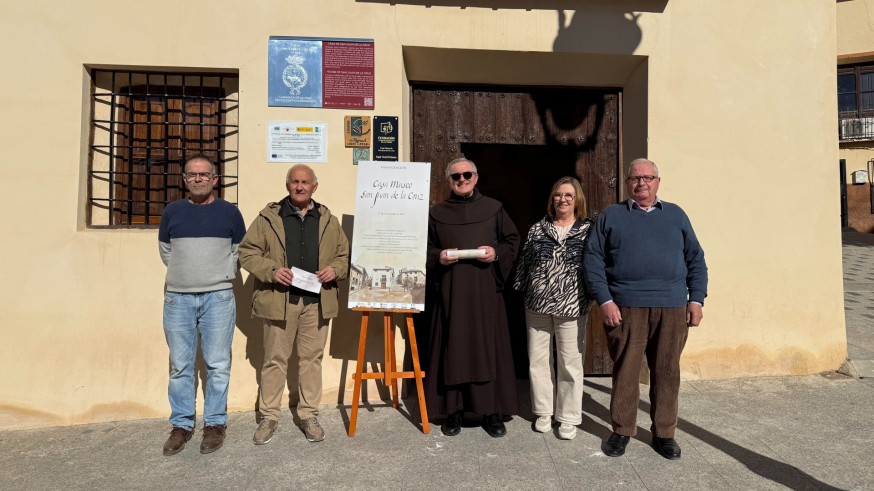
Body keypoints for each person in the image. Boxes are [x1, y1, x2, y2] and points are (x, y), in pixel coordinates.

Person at [584, 158, 708, 460]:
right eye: (635, 178)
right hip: (625, 307)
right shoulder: (611, 216)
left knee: (667, 371)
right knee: (626, 371)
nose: (642, 183)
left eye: (648, 178)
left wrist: (697, 299)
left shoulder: (676, 215)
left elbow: (696, 259)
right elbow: (593, 260)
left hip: (672, 307)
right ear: (627, 183)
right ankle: (622, 430)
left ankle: (664, 433)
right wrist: (606, 300)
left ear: (658, 182)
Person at [239, 164, 349, 444]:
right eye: (295, 182)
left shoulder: (328, 219)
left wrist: (335, 270)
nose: (300, 187)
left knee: (312, 360)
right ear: (287, 185)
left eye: (305, 182)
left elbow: (344, 256)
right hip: (280, 300)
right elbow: (247, 253)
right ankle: (269, 416)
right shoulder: (268, 218)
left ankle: (309, 414)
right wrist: (272, 270)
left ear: (315, 186)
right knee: (274, 360)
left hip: (317, 301)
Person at [158, 154, 246, 456]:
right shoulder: (172, 212)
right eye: (192, 175)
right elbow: (166, 251)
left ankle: (214, 424)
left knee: (218, 364)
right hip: (178, 298)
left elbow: (238, 251)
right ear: (185, 179)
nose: (198, 179)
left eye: (204, 175)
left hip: (218, 297)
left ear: (214, 179)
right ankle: (181, 425)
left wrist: (217, 275)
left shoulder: (230, 213)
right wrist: (188, 275)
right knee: (180, 365)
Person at [426, 157, 520, 438]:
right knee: (452, 349)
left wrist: (496, 254)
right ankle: (453, 411)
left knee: (486, 347)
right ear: (449, 181)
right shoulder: (436, 212)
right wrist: (438, 257)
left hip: (484, 295)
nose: (462, 179)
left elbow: (511, 241)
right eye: (456, 176)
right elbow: (425, 248)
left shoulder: (494, 208)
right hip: (451, 294)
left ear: (476, 177)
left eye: (467, 174)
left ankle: (491, 412)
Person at [513, 176, 593, 441]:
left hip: (572, 304)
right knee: (538, 360)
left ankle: (568, 417)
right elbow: (525, 260)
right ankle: (544, 411)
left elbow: (596, 264)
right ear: (552, 199)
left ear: (577, 199)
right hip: (537, 303)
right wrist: (521, 287)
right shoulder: (538, 228)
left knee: (570, 361)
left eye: (569, 195)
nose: (563, 199)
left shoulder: (588, 230)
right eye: (558, 195)